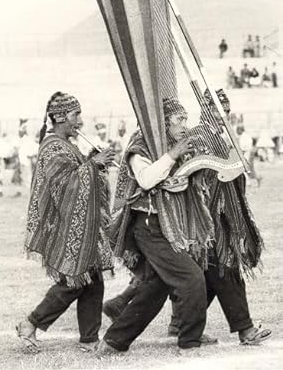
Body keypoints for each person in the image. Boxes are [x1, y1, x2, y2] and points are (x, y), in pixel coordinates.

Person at [97, 98, 215, 356]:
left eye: (185, 118)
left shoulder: (175, 145)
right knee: (192, 277)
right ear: (162, 123)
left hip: (166, 225)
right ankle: (189, 342)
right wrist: (172, 156)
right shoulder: (141, 146)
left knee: (155, 288)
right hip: (150, 227)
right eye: (179, 120)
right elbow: (147, 179)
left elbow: (183, 181)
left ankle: (114, 341)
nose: (185, 124)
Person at [167, 89, 271, 345]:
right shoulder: (200, 136)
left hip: (221, 217)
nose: (222, 114)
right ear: (205, 110)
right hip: (208, 217)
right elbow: (197, 175)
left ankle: (181, 322)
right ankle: (245, 330)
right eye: (216, 109)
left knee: (210, 275)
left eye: (225, 110)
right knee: (225, 269)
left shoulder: (220, 138)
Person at [16, 92, 116, 353]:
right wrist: (92, 164)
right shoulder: (52, 147)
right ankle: (30, 323)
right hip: (65, 224)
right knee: (73, 281)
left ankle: (89, 339)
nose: (80, 122)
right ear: (60, 117)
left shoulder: (66, 144)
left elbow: (78, 175)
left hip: (81, 224)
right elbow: (63, 185)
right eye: (75, 116)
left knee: (92, 278)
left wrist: (95, 163)